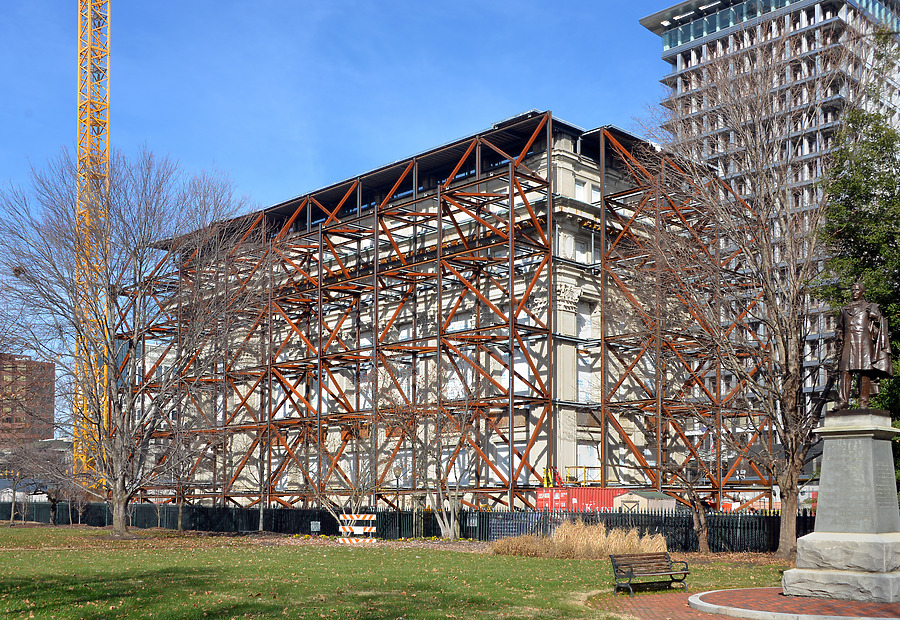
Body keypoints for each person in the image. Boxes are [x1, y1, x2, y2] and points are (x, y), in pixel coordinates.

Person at [833, 282, 893, 410]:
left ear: (863, 292)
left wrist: (875, 317)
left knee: (865, 372)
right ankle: (843, 402)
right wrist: (838, 342)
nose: (854, 292)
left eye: (857, 290)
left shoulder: (870, 307)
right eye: (852, 290)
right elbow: (839, 328)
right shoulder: (844, 309)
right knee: (845, 371)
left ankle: (864, 402)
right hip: (848, 343)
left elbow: (881, 323)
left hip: (865, 343)